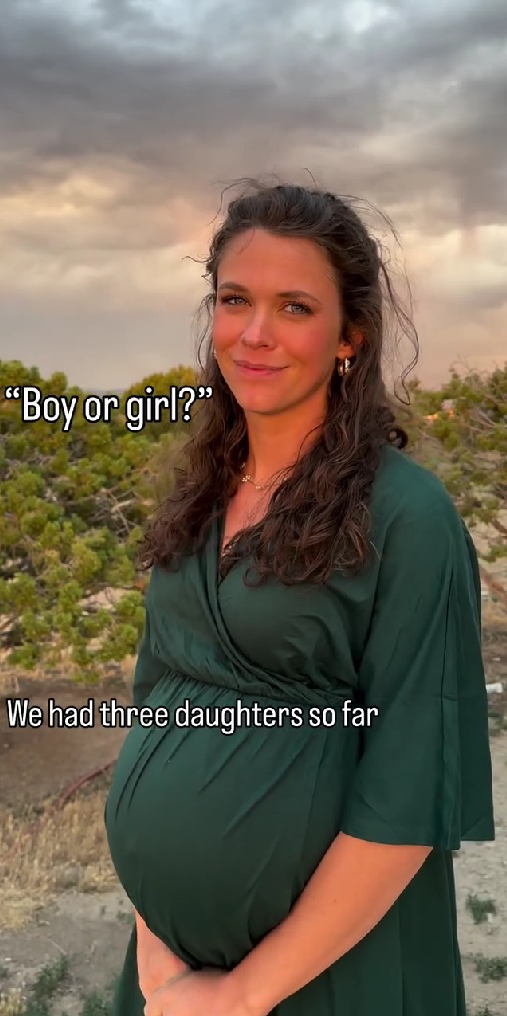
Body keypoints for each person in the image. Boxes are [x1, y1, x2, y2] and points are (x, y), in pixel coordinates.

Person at [104, 178, 495, 1016]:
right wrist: (159, 949)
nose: (255, 332)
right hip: (168, 974)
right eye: (235, 299)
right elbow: (158, 704)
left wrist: (241, 997)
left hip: (329, 976)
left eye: (294, 307)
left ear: (350, 335)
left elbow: (409, 791)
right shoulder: (200, 496)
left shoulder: (406, 517)